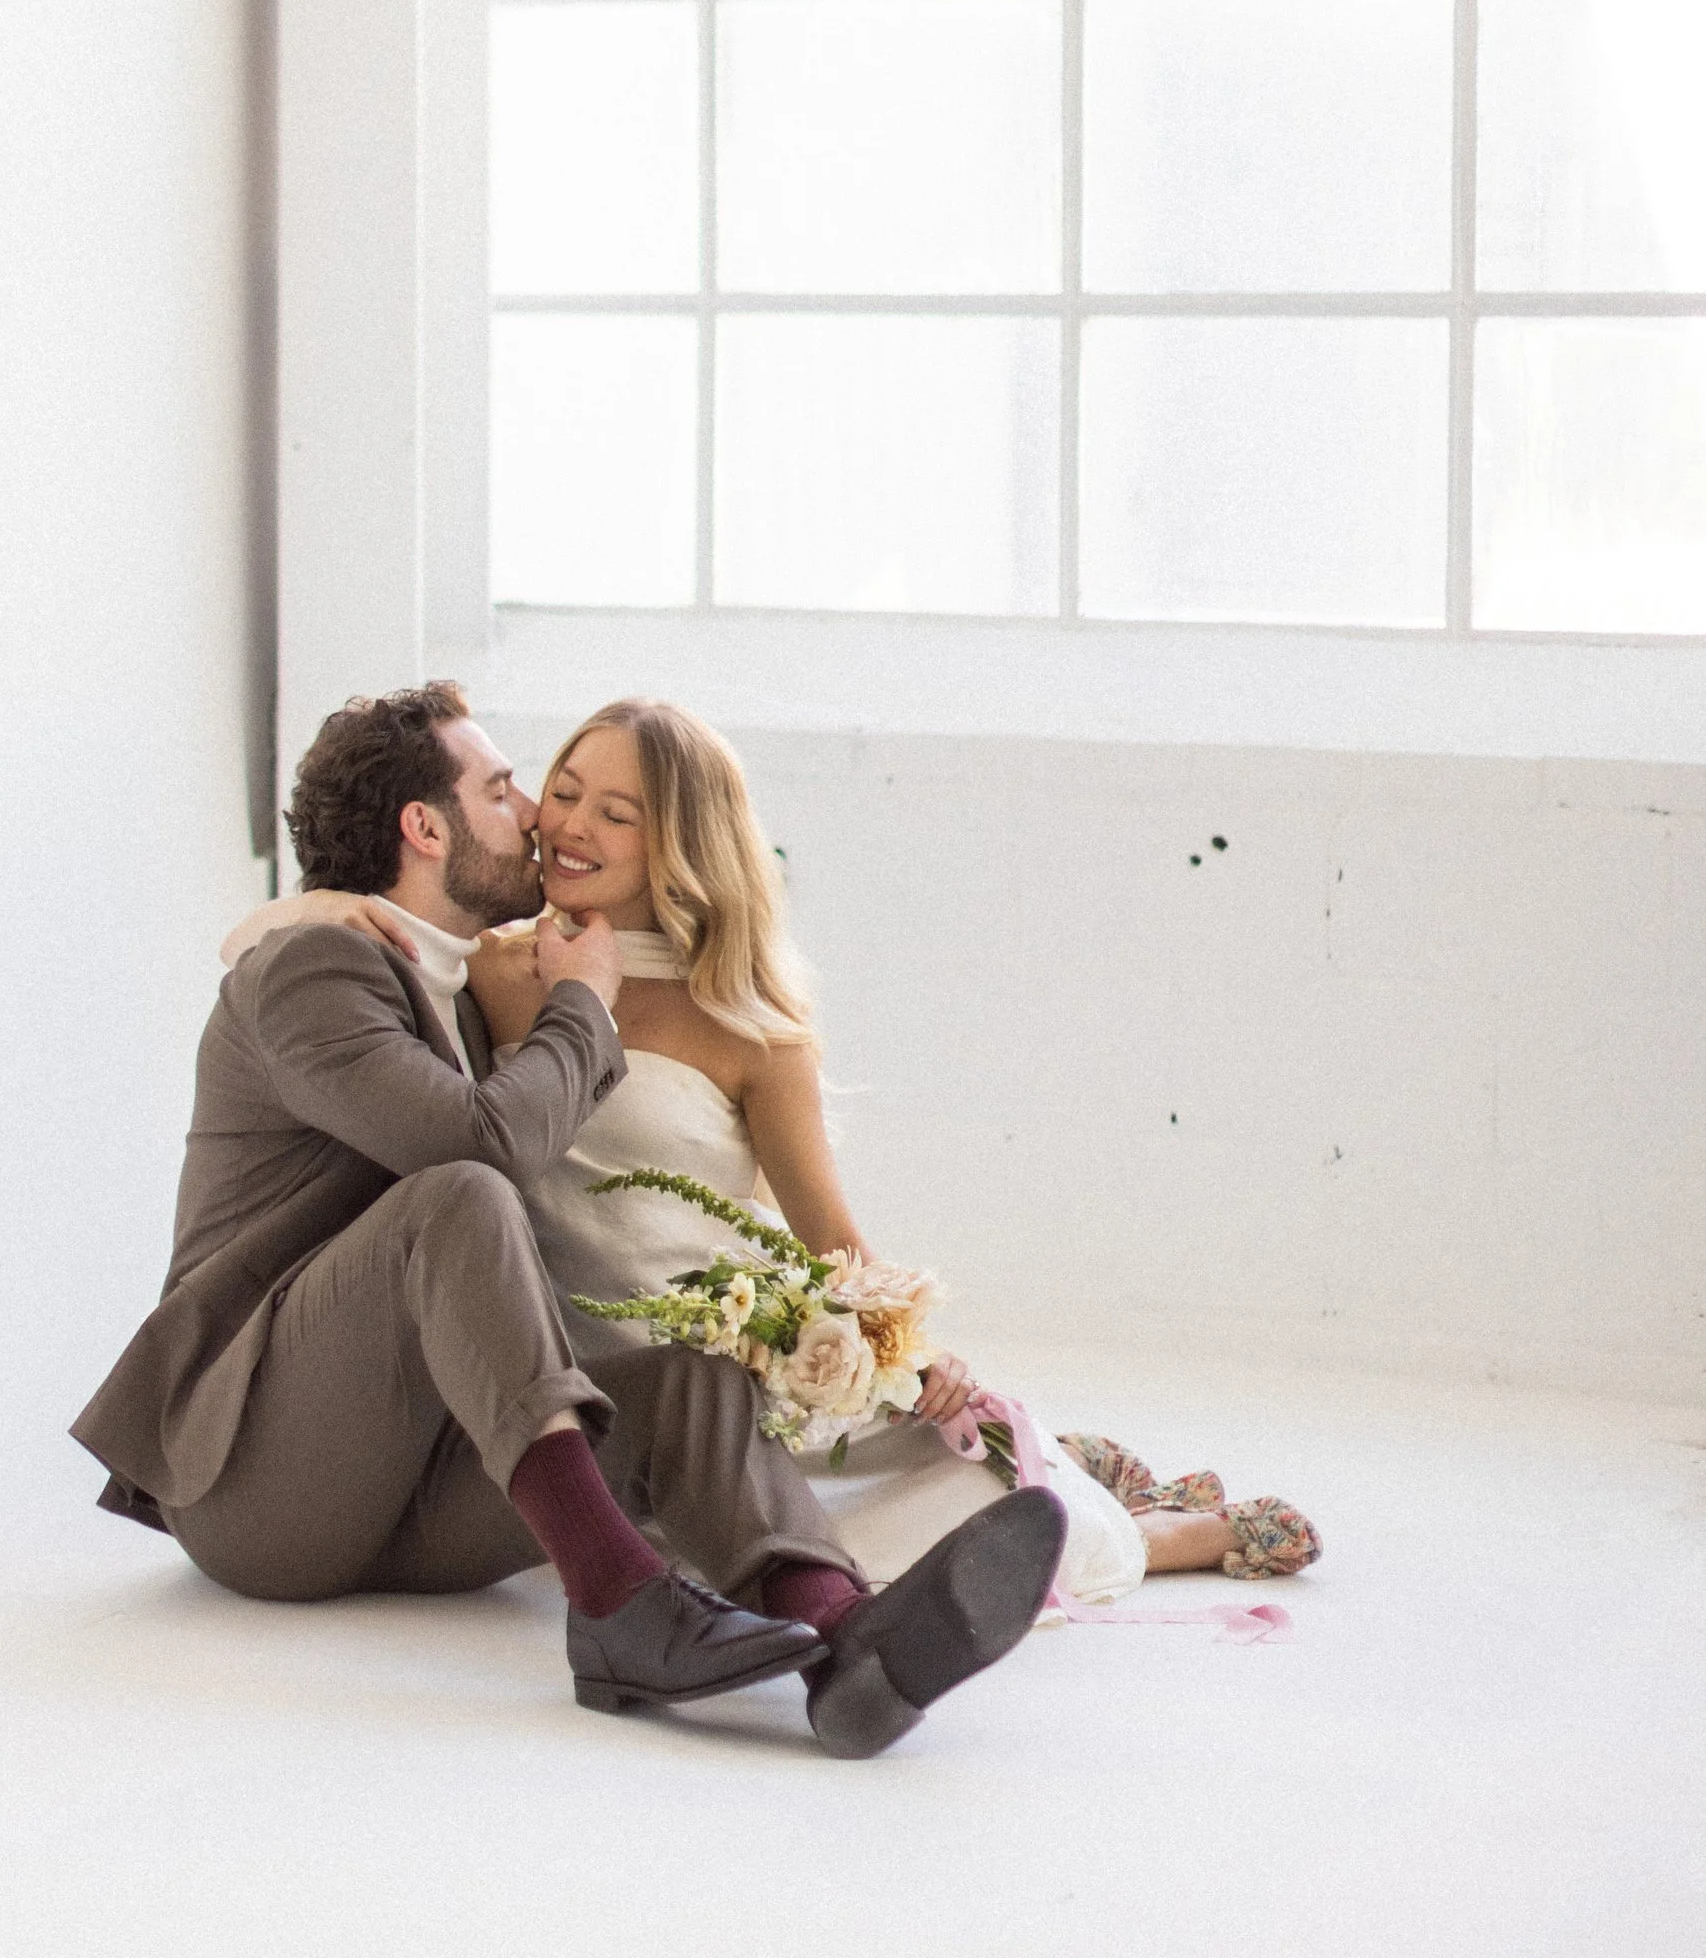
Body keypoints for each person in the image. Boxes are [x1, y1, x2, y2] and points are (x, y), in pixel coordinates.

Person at [74, 685, 1066, 1758]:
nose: (539, 816)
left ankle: (846, 1642)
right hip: (258, 1486)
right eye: (505, 789)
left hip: (408, 1484)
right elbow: (483, 1145)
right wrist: (581, 1004)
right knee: (460, 1189)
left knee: (692, 1377)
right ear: (424, 826)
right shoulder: (315, 966)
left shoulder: (458, 976)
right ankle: (617, 1603)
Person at [230, 697, 1322, 1601]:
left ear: (678, 844)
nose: (562, 823)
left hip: (727, 1355)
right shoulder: (498, 968)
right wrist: (309, 905)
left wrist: (910, 1349)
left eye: (616, 812)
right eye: (558, 790)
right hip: (557, 1366)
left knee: (941, 1518)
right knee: (691, 1520)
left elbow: (829, 1236)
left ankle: (1153, 1526)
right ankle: (1064, 1469)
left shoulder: (748, 1026)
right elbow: (352, 984)